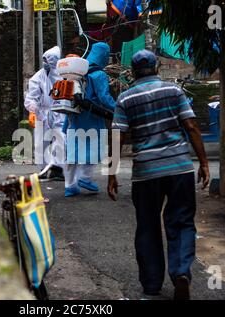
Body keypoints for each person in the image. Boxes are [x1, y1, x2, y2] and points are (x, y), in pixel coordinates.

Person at [108, 50, 210, 300]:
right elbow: (191, 126)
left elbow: (118, 136)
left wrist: (112, 174)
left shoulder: (125, 98)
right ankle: (181, 272)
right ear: (157, 67)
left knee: (147, 225)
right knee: (182, 221)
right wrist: (204, 162)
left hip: (145, 171)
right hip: (179, 167)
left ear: (132, 72)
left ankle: (152, 283)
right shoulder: (174, 92)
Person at [63, 42, 116, 197]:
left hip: (73, 115)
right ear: (104, 56)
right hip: (91, 116)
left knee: (72, 150)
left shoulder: (78, 70)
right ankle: (85, 178)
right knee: (93, 145)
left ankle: (70, 186)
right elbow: (104, 97)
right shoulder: (99, 74)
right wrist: (118, 108)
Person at [24, 46, 65, 180]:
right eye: (44, 60)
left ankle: (58, 169)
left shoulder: (64, 74)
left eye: (48, 60)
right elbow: (32, 95)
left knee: (60, 140)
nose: (45, 63)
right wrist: (32, 110)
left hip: (60, 111)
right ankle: (43, 168)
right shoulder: (39, 76)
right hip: (43, 112)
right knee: (41, 142)